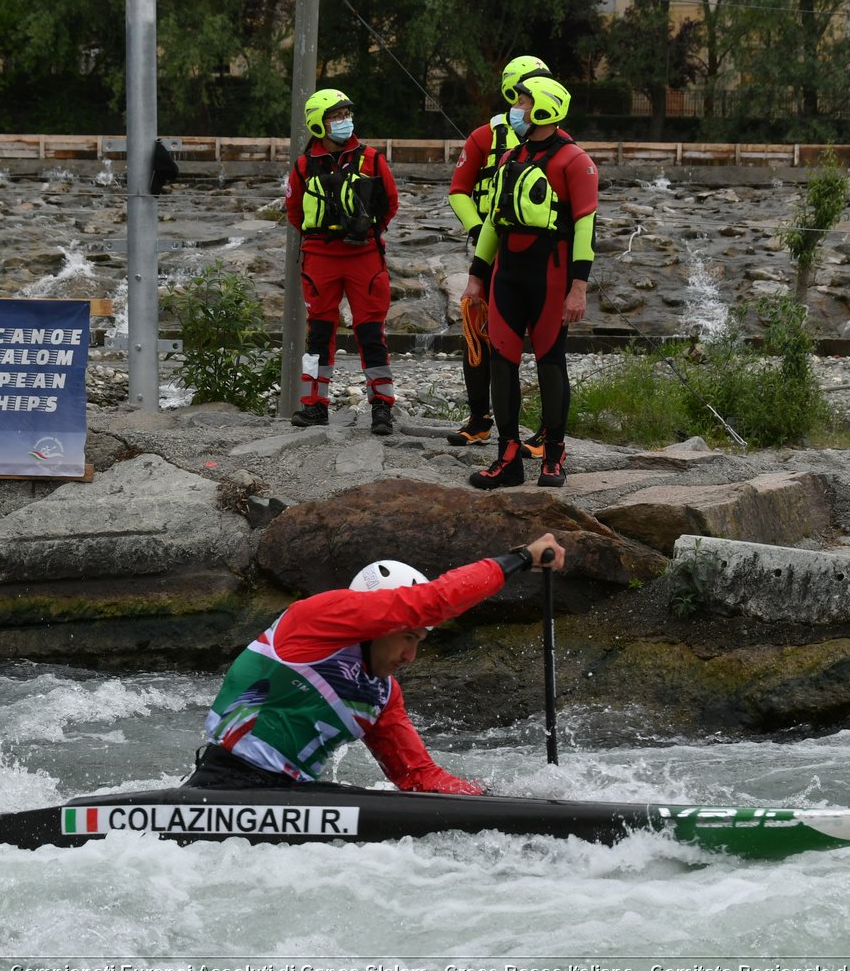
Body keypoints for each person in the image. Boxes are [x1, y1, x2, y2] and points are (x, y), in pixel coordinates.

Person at [185, 533, 567, 794]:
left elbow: (418, 777)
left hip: (296, 796)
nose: (410, 657)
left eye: (418, 641)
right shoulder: (316, 620)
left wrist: (495, 801)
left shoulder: (381, 695)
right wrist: (520, 558)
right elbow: (433, 600)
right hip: (222, 782)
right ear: (377, 621)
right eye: (406, 637)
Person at [463, 76, 598, 490]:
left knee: (550, 361)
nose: (516, 107)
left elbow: (585, 227)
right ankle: (508, 456)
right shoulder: (508, 157)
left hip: (551, 277)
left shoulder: (574, 161)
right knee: (503, 361)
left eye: (523, 100)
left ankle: (553, 454)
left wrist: (579, 288)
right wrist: (476, 276)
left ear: (544, 108)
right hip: (508, 276)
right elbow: (491, 222)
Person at [444, 55, 550, 448]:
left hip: (541, 255)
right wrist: (479, 231)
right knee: (478, 332)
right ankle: (479, 418)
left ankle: (545, 429)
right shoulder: (484, 138)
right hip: (492, 251)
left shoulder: (557, 142)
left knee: (543, 340)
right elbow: (458, 191)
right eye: (526, 90)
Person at [283, 88, 401, 435]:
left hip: (364, 257)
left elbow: (390, 203)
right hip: (320, 260)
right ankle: (314, 407)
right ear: (319, 124)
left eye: (346, 114)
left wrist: (368, 232)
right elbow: (294, 212)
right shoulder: (304, 166)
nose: (344, 121)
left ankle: (381, 407)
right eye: (336, 116)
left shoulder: (372, 160)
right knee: (318, 335)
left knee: (371, 333)